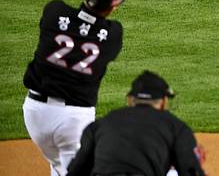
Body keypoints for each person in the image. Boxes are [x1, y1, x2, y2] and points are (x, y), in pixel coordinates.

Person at [22, 0, 126, 176]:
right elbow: (94, 27)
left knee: (59, 168)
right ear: (113, 7)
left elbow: (76, 18)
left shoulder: (54, 11)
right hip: (73, 122)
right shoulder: (113, 35)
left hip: (35, 114)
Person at [67, 70, 207, 176]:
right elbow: (192, 171)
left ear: (130, 100)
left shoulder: (101, 124)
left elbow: (76, 171)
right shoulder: (175, 127)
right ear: (164, 102)